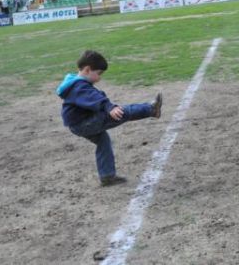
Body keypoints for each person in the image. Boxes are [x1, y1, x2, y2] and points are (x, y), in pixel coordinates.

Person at [56, 50, 163, 187]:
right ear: (88, 70)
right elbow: (94, 97)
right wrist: (109, 107)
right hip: (84, 123)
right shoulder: (79, 86)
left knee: (103, 141)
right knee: (122, 113)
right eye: (99, 74)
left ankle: (107, 176)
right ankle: (151, 109)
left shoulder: (76, 83)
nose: (99, 78)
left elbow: (93, 95)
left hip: (79, 124)